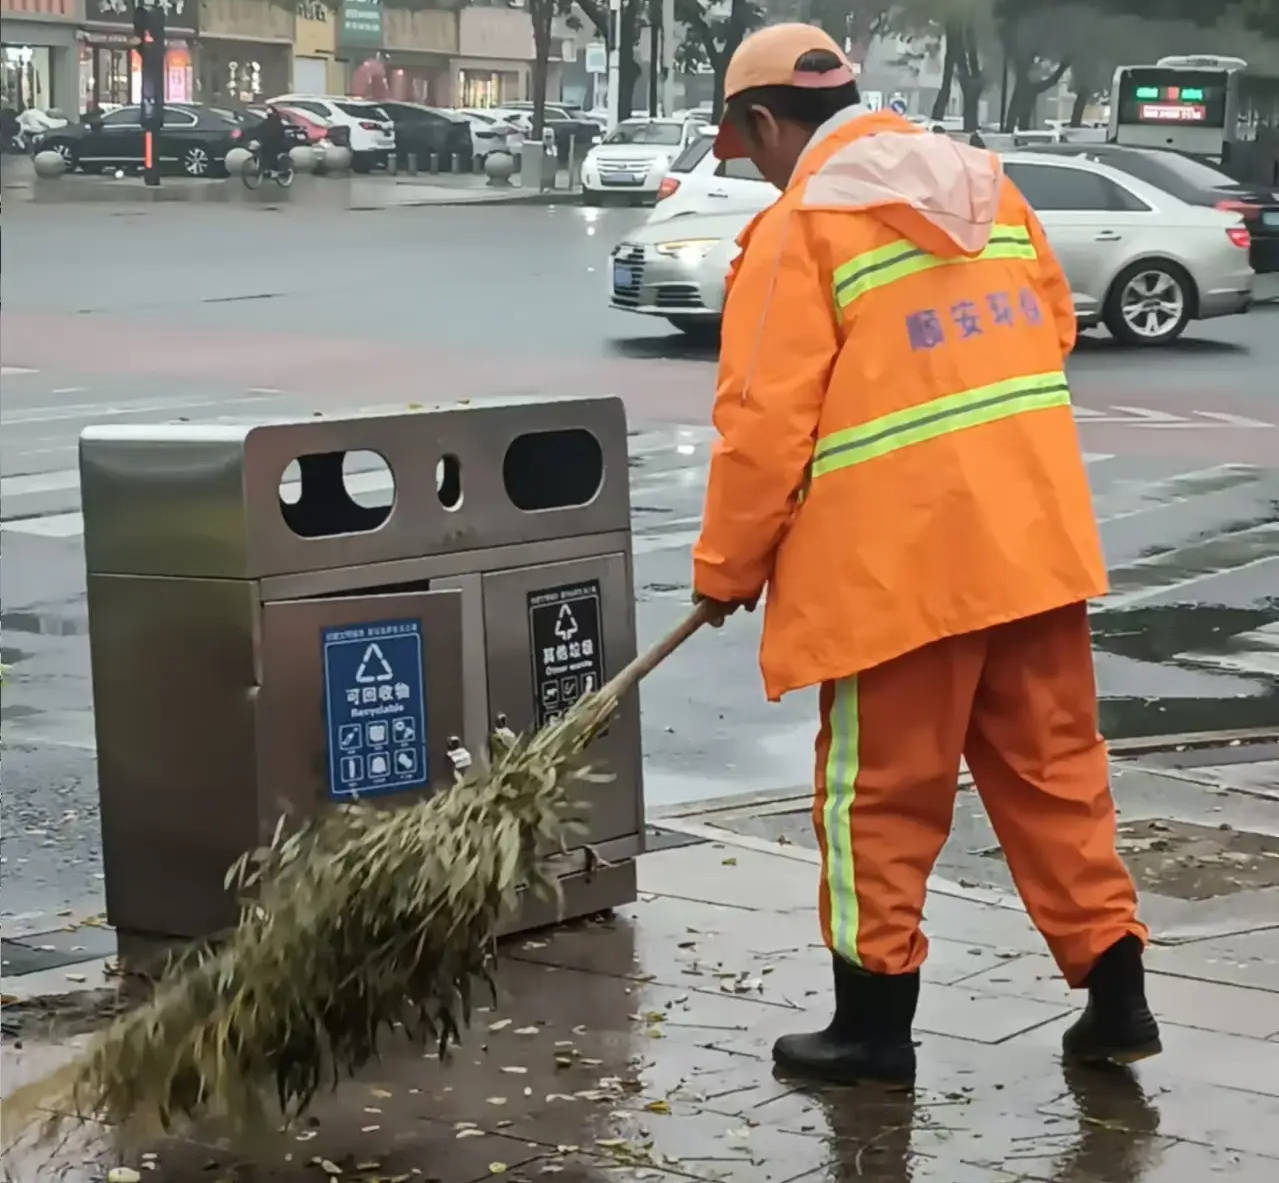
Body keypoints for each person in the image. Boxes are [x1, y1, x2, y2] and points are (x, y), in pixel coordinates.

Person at [690, 23, 1159, 1087]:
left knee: (877, 797)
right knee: (1056, 772)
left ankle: (870, 1026)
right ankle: (1116, 992)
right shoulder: (988, 186)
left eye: (747, 146)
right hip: (1030, 538)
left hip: (897, 568)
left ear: (766, 120)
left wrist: (726, 568)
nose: (756, 169)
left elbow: (763, 423)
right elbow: (1048, 327)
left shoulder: (801, 225)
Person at [248, 106, 288, 174]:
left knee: (271, 154)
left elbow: (280, 133)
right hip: (266, 142)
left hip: (276, 143)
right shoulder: (266, 122)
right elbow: (258, 129)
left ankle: (274, 170)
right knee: (261, 152)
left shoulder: (277, 122)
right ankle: (265, 169)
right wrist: (253, 136)